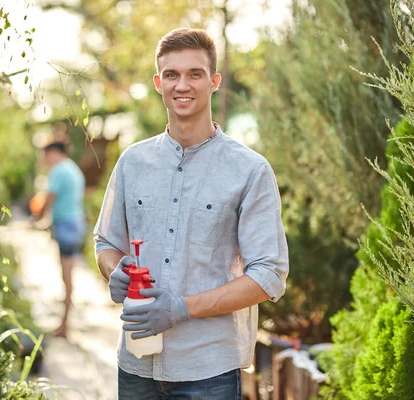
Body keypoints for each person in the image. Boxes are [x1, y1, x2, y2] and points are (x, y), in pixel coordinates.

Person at [93, 28, 289, 399]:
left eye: (195, 74)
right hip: (135, 366)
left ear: (214, 81)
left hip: (208, 371)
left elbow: (269, 275)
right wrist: (113, 270)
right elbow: (106, 242)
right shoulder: (132, 162)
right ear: (158, 82)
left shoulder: (250, 170)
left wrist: (181, 309)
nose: (183, 85)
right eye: (172, 74)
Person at [36, 141, 86, 338]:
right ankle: (65, 322)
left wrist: (37, 218)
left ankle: (65, 326)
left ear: (54, 153)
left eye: (46, 156)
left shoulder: (58, 171)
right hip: (75, 224)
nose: (45, 161)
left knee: (66, 276)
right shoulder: (74, 169)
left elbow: (49, 199)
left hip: (66, 226)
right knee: (68, 275)